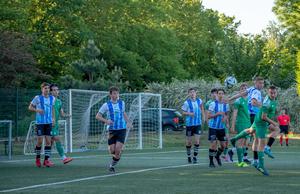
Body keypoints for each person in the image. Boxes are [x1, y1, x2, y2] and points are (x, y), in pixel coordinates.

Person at [96, 86, 132, 173]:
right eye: (114, 93)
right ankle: (116, 156)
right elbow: (97, 116)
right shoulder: (106, 105)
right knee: (112, 150)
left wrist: (128, 122)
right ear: (110, 94)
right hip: (112, 130)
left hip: (121, 129)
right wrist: (106, 121)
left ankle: (112, 165)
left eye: (117, 93)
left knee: (118, 150)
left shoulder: (121, 103)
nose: (116, 95)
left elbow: (123, 113)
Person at [229, 77, 264, 164]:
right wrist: (264, 106)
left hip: (250, 117)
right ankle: (254, 160)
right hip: (252, 117)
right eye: (259, 83)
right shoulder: (255, 91)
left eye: (262, 83)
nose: (261, 85)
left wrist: (229, 98)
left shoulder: (251, 89)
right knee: (255, 138)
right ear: (255, 83)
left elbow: (241, 94)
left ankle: (243, 156)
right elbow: (253, 103)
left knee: (249, 140)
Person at [252, 86, 279, 176]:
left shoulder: (273, 100)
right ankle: (261, 165)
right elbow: (264, 117)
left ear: (276, 92)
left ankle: (266, 149)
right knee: (261, 143)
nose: (273, 94)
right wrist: (274, 122)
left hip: (263, 122)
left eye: (274, 92)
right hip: (261, 122)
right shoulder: (267, 103)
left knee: (277, 129)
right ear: (268, 92)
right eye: (271, 92)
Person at [28, 82, 55, 167]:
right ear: (42, 89)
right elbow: (30, 107)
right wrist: (37, 110)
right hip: (40, 123)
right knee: (39, 141)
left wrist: (53, 118)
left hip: (49, 123)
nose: (47, 90)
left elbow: (53, 109)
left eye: (48, 88)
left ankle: (46, 160)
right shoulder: (37, 98)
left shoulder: (52, 98)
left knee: (48, 142)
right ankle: (38, 158)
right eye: (45, 88)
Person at [50, 84, 73, 164]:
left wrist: (68, 115)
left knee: (51, 142)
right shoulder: (49, 100)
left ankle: (47, 160)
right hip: (50, 124)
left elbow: (62, 114)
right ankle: (64, 158)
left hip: (55, 124)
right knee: (57, 138)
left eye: (57, 90)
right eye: (54, 90)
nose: (56, 91)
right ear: (51, 92)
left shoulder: (59, 101)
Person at [182, 88, 205, 164]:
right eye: (190, 92)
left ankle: (195, 157)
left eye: (193, 92)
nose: (192, 93)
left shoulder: (199, 101)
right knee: (189, 142)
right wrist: (189, 114)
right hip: (189, 124)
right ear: (189, 94)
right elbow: (183, 112)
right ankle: (189, 156)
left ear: (196, 93)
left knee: (197, 141)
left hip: (197, 124)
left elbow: (202, 109)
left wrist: (203, 117)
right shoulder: (186, 103)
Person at [230, 83, 251, 167]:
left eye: (245, 88)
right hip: (241, 123)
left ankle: (241, 160)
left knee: (246, 142)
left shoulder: (250, 100)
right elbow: (234, 114)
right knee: (240, 142)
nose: (244, 90)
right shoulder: (238, 101)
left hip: (248, 123)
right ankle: (240, 162)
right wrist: (232, 125)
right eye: (242, 88)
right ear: (240, 91)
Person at [207, 88, 230, 168]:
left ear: (224, 95)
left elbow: (227, 115)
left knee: (223, 146)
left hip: (221, 128)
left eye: (222, 94)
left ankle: (217, 156)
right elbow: (208, 116)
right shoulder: (213, 104)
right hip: (213, 127)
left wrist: (226, 121)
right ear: (217, 95)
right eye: (219, 93)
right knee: (213, 144)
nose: (220, 95)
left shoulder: (226, 105)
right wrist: (217, 114)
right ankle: (211, 162)